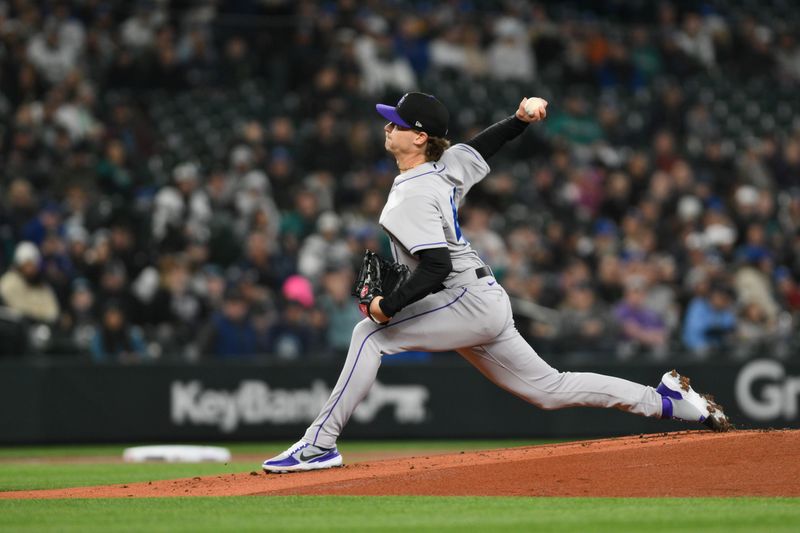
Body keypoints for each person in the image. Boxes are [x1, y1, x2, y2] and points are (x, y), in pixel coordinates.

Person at [262, 92, 730, 473]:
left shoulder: (413, 194)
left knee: (369, 334)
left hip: (461, 297)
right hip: (479, 298)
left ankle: (318, 445)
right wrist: (519, 119)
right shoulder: (442, 168)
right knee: (550, 389)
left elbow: (435, 266)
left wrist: (389, 306)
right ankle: (669, 403)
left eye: (397, 123)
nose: (388, 126)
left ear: (420, 137)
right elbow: (481, 147)